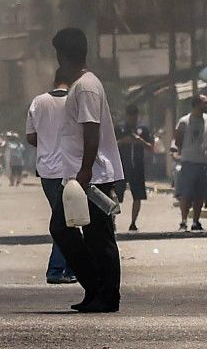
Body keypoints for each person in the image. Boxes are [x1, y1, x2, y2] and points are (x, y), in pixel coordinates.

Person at [41, 26, 126, 312]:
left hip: (91, 175)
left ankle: (107, 295)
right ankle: (96, 289)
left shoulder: (86, 86)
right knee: (72, 231)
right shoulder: (82, 84)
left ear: (63, 56)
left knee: (98, 236)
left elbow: (92, 131)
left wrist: (86, 171)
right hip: (79, 175)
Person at [27, 69, 79, 285]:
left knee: (66, 218)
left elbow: (30, 137)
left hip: (46, 170)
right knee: (65, 219)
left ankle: (69, 267)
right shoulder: (76, 102)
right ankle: (57, 269)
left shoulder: (38, 102)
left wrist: (47, 145)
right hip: (70, 169)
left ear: (55, 81)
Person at [170, 94, 207, 231]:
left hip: (203, 162)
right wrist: (178, 154)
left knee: (200, 194)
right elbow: (178, 140)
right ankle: (183, 221)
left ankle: (196, 221)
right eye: (205, 102)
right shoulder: (184, 121)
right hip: (188, 161)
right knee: (186, 193)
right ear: (197, 104)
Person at [114, 104, 153, 232]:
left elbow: (151, 147)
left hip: (137, 166)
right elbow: (110, 145)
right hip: (121, 166)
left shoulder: (143, 129)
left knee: (138, 195)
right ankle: (112, 220)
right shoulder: (119, 128)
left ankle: (133, 222)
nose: (133, 119)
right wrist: (123, 141)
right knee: (116, 194)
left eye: (135, 117)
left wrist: (139, 141)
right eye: (131, 116)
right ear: (127, 116)